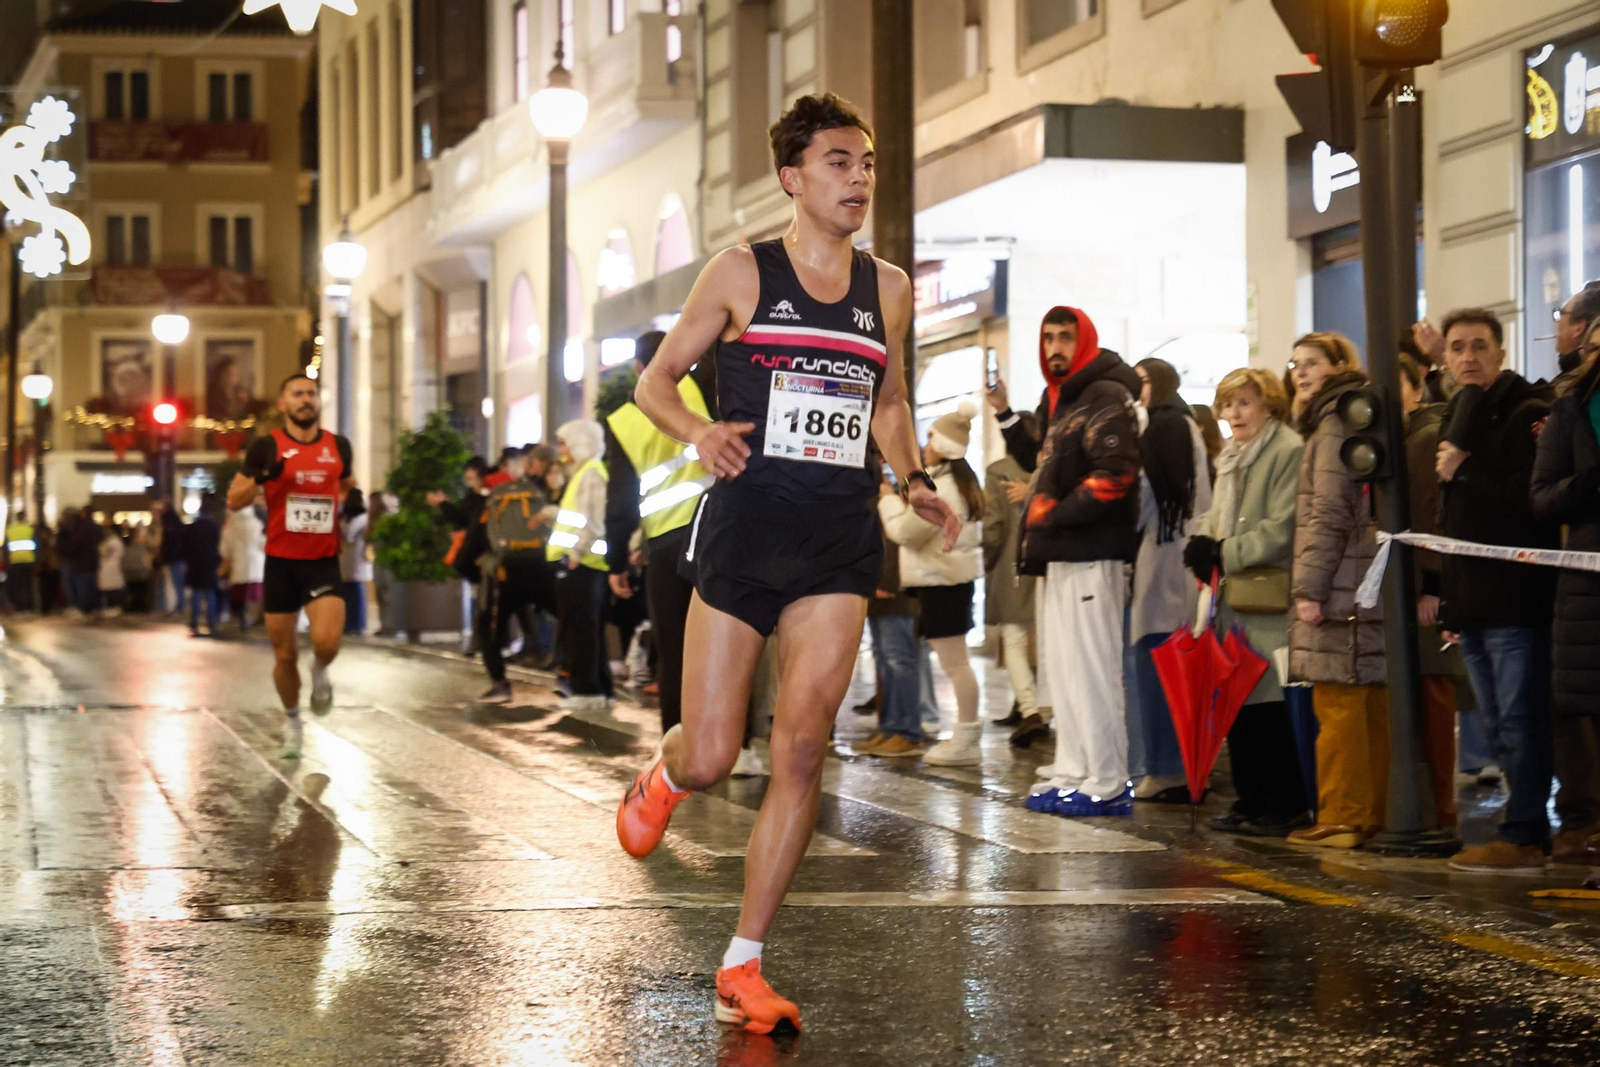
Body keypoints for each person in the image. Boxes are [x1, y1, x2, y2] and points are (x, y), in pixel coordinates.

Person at [614, 93, 958, 1034]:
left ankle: (743, 962)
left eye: (868, 163)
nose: (859, 179)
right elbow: (653, 379)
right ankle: (666, 775)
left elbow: (885, 398)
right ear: (793, 178)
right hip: (746, 531)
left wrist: (916, 476)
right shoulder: (740, 272)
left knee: (804, 747)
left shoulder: (886, 286)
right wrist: (697, 432)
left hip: (837, 540)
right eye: (840, 162)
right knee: (717, 751)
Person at [1432, 309, 1560, 873]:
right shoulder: (1458, 415)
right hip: (1475, 602)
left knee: (1519, 720)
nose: (1468, 357)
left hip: (1515, 599)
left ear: (1501, 353)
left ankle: (1526, 831)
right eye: (1457, 347)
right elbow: (1451, 519)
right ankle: (1521, 823)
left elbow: (1528, 504)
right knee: (1494, 724)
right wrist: (1449, 599)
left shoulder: (1526, 412)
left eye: (1479, 346)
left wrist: (1463, 470)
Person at [1018, 305, 1143, 818]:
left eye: (1065, 337)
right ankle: (1074, 768)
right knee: (1064, 671)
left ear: (1084, 341)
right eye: (1047, 337)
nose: (1055, 348)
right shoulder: (1061, 401)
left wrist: (1056, 514)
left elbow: (1117, 473)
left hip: (1093, 552)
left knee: (1093, 670)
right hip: (1061, 554)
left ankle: (1108, 781)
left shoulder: (1105, 395)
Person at [1186, 368, 1309, 835]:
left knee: (1271, 706)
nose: (1233, 413)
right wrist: (1202, 540)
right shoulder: (1232, 457)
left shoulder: (1286, 452)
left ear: (1269, 406)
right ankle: (1249, 799)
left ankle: (1283, 804)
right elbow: (1219, 516)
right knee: (1237, 703)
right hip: (1234, 600)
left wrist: (1224, 552)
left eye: (1244, 403)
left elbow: (1283, 527)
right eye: (1228, 404)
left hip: (1268, 597)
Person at [1280, 332, 1388, 851]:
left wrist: (1309, 588)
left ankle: (1343, 814)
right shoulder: (1355, 413)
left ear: (1340, 365)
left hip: (1341, 578)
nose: (1301, 373)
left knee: (1339, 701)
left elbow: (1328, 511)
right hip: (1364, 575)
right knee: (1365, 701)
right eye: (1296, 364)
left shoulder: (1332, 421)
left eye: (1313, 363)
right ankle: (1369, 813)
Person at [228, 374, 356, 759]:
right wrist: (264, 478)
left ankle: (319, 670)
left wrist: (352, 503)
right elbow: (235, 499)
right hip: (281, 562)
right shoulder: (266, 447)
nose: (306, 400)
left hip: (322, 560)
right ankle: (294, 722)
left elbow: (346, 483)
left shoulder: (338, 445)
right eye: (297, 394)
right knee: (284, 655)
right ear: (283, 404)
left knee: (327, 642)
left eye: (311, 394)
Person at [604, 330, 718, 733]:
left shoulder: (626, 418)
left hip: (667, 545)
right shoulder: (706, 385)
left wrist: (616, 559)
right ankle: (737, 747)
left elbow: (619, 500)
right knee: (728, 641)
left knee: (673, 648)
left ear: (639, 369)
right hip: (719, 530)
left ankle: (679, 742)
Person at [879, 400, 984, 766]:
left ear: (943, 446)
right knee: (957, 663)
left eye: (929, 439)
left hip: (943, 582)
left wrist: (888, 501)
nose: (924, 447)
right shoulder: (958, 482)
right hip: (947, 581)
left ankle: (967, 737)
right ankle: (966, 736)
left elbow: (904, 532)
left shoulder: (944, 490)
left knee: (956, 665)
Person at [1531, 316, 1600, 868]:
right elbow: (1544, 499)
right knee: (1587, 712)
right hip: (1589, 589)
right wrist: (1589, 483)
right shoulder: (1571, 410)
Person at [1128, 358, 1212, 802]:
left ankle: (1166, 768)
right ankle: (1179, 766)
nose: (1135, 389)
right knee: (1170, 665)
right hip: (1177, 559)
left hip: (1164, 560)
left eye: (1141, 381)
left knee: (1157, 665)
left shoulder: (1163, 427)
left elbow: (1145, 498)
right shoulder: (1183, 423)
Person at [1397, 353, 1463, 835]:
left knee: (1434, 698)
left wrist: (1434, 584)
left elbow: (1431, 513)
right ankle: (1433, 807)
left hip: (1426, 588)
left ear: (1417, 385)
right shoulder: (1403, 436)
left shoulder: (1424, 436)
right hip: (1411, 584)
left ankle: (1441, 810)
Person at [468, 446, 558, 703]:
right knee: (567, 616)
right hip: (541, 565)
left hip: (505, 570)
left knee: (489, 626)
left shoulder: (494, 496)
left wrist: (473, 566)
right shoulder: (541, 492)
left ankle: (499, 684)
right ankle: (574, 676)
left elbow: (477, 535)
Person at [856, 465, 927, 758]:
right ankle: (889, 727)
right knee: (885, 662)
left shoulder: (898, 499)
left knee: (900, 662)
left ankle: (907, 731)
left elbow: (897, 544)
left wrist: (885, 583)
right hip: (877, 593)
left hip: (898, 594)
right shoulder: (875, 499)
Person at [548, 419, 614, 711]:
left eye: (564, 443)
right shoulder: (585, 472)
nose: (562, 450)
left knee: (581, 627)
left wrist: (575, 554)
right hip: (584, 562)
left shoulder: (589, 474)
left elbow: (593, 520)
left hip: (583, 563)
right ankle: (598, 688)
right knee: (587, 627)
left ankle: (587, 691)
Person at [981, 411, 1039, 730]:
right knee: (1041, 639)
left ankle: (1031, 710)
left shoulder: (998, 472)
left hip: (1011, 562)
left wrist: (989, 559)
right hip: (1047, 562)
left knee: (1014, 639)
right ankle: (1026, 704)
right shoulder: (1047, 472)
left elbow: (993, 526)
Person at [220, 502, 267, 632]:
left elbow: (225, 550)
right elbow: (263, 544)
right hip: (256, 565)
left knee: (241, 594)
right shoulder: (257, 524)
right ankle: (258, 618)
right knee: (257, 594)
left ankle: (243, 618)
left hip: (239, 565)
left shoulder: (230, 527)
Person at [185, 498, 223, 637]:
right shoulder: (214, 528)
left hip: (195, 565)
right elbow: (220, 548)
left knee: (195, 594)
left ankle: (194, 622)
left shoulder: (193, 527)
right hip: (210, 565)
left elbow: (186, 546)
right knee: (210, 594)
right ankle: (211, 623)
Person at [339, 487, 372, 637]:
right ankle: (349, 623)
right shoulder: (346, 516)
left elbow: (349, 536)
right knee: (348, 592)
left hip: (354, 558)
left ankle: (356, 624)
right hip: (346, 559)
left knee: (355, 592)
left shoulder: (361, 518)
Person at [157, 503, 187, 616]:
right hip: (178, 559)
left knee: (176, 584)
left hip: (175, 559)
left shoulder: (170, 530)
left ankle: (179, 607)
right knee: (177, 584)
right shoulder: (179, 528)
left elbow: (167, 545)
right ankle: (179, 606)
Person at [6, 509, 37, 611]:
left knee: (18, 586)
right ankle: (30, 606)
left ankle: (20, 607)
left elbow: (6, 548)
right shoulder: (30, 529)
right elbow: (37, 546)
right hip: (29, 561)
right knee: (29, 585)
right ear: (24, 517)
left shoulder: (10, 530)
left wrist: (7, 561)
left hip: (15, 562)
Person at [122, 525, 153, 613]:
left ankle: (134, 606)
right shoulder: (142, 548)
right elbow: (146, 561)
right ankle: (141, 607)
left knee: (134, 591)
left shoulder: (127, 547)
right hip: (140, 573)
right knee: (141, 592)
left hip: (130, 573)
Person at [98, 520, 126, 616]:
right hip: (112, 567)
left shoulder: (110, 542)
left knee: (111, 588)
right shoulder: (116, 542)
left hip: (110, 567)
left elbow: (102, 551)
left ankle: (113, 607)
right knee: (113, 587)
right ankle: (114, 607)